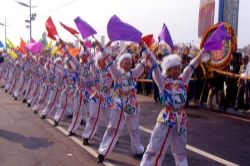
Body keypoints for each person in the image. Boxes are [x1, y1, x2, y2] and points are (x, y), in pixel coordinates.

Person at [140, 48, 208, 166]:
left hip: (180, 119)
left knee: (180, 151)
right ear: (168, 69)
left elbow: (191, 67)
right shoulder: (163, 81)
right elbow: (155, 66)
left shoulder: (183, 81)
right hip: (166, 118)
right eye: (174, 68)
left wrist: (201, 53)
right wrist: (145, 50)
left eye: (178, 68)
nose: (177, 70)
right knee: (154, 147)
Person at [96, 44, 148, 163]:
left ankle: (138, 149)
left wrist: (144, 49)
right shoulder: (117, 73)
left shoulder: (134, 73)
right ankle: (102, 152)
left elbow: (145, 62)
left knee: (135, 129)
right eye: (125, 61)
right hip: (120, 105)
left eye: (129, 61)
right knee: (113, 128)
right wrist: (102, 49)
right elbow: (108, 60)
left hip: (132, 105)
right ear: (120, 64)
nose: (128, 63)